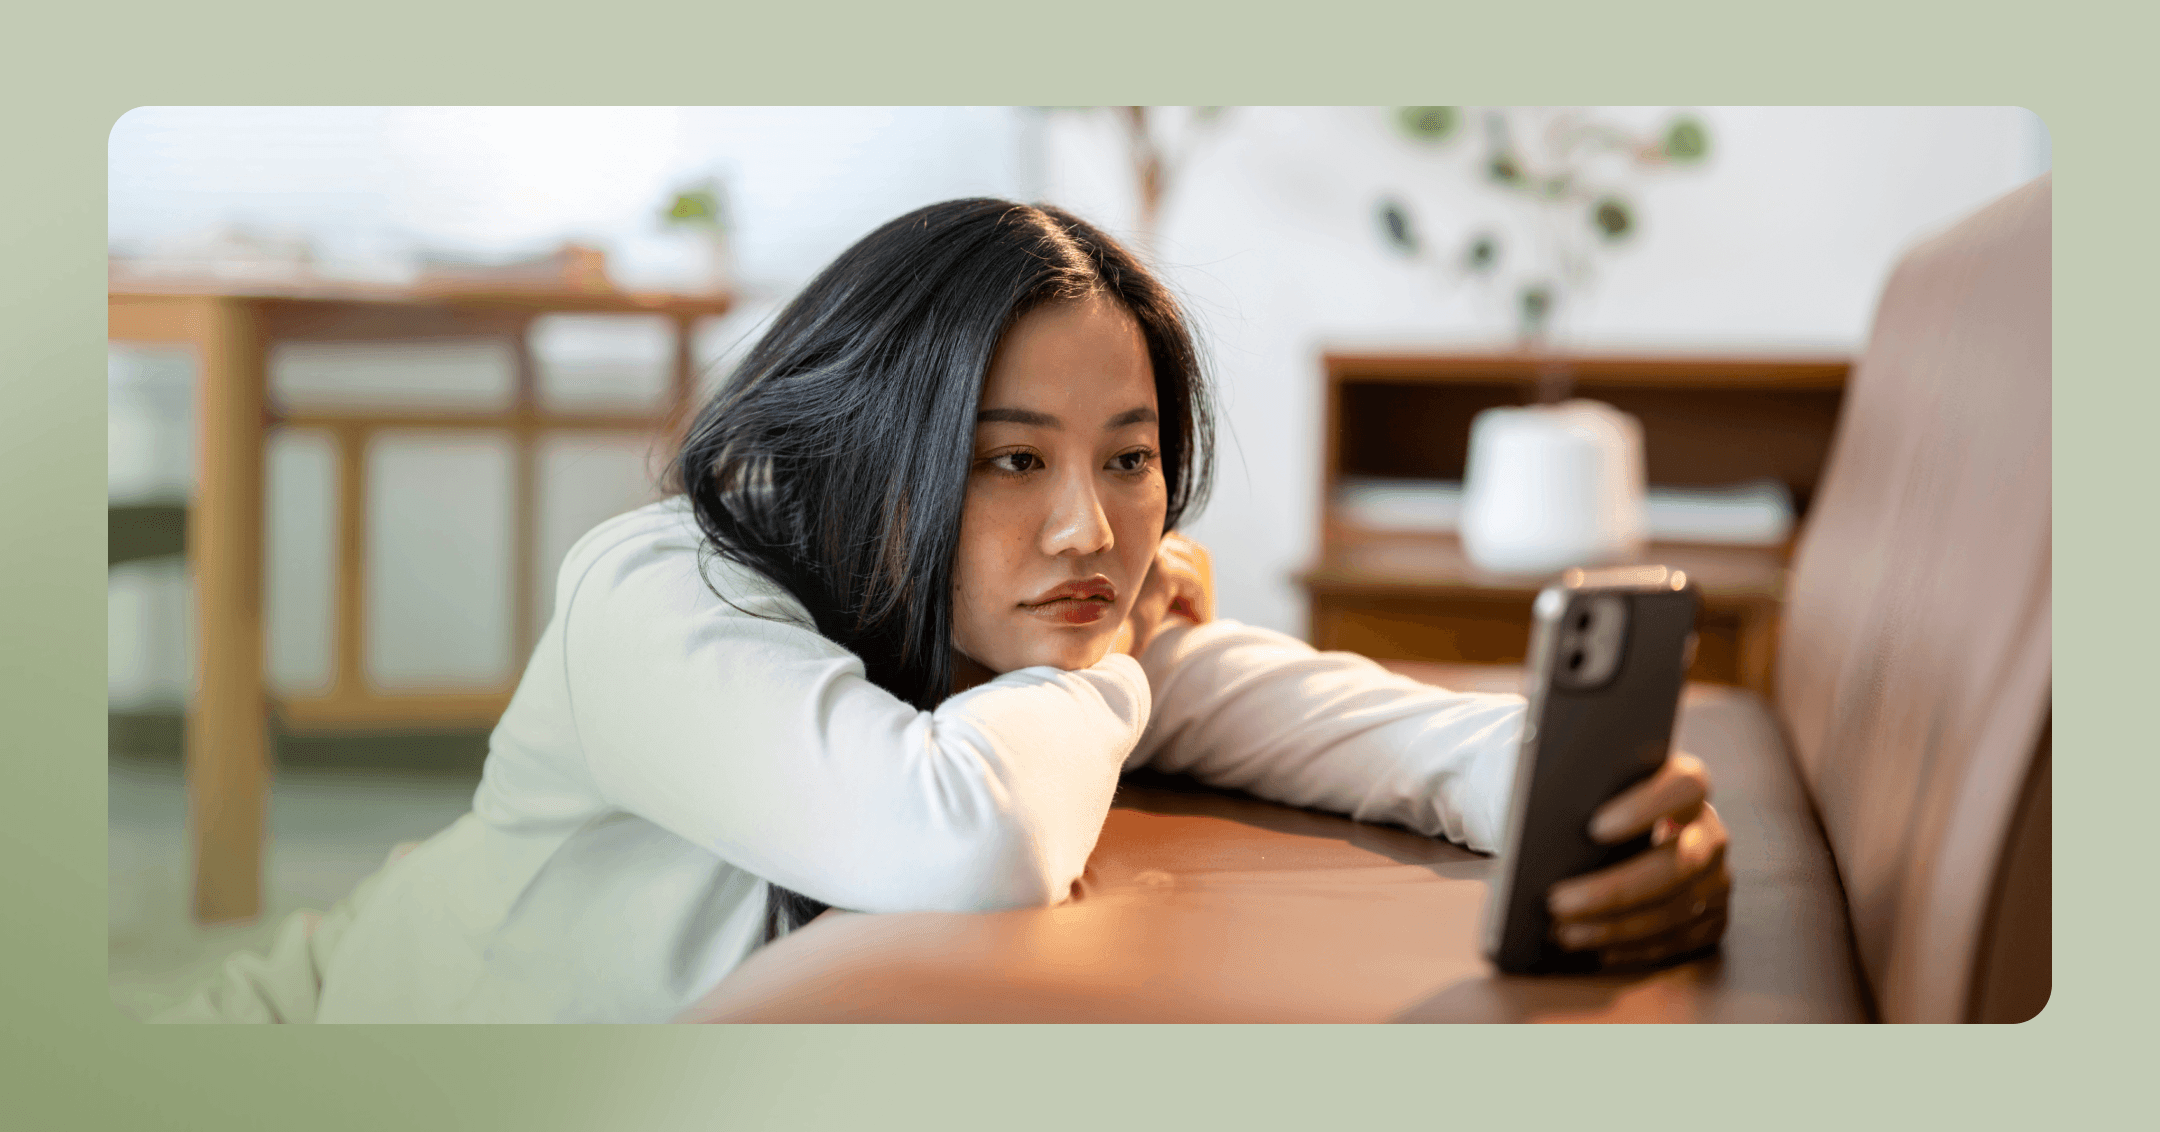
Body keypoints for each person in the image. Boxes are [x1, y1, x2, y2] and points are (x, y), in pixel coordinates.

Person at [166, 199, 1730, 1024]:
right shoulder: (658, 591)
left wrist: (1602, 811)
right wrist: (1119, 658)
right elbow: (959, 837)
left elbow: (1367, 727)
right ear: (867, 445)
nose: (1091, 525)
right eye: (1007, 458)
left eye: (1130, 460)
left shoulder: (1039, 623)